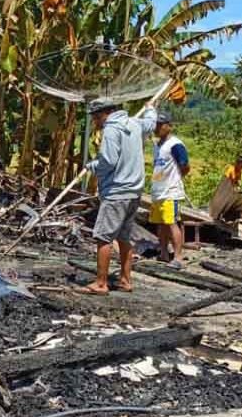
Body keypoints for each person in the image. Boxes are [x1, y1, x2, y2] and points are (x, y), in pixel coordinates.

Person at [80, 97, 157, 295]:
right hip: (134, 192)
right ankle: (125, 280)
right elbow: (150, 124)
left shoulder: (111, 130)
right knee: (123, 237)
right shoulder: (134, 123)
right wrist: (150, 109)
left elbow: (108, 160)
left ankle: (101, 283)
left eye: (95, 119)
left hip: (117, 192)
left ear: (102, 114)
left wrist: (93, 166)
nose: (95, 123)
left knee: (103, 236)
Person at [150, 111, 190, 269]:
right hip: (158, 190)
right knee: (161, 224)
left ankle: (178, 257)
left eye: (161, 125)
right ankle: (164, 253)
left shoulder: (175, 144)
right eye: (156, 125)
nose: (157, 128)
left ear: (169, 126)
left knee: (172, 222)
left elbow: (185, 166)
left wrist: (175, 178)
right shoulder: (158, 146)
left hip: (170, 190)